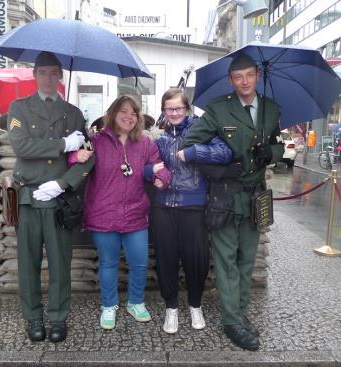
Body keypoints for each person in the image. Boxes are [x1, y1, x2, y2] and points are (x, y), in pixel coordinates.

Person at [181, 52, 284, 351]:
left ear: (257, 76)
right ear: (231, 80)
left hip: (255, 196)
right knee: (226, 261)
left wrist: (272, 154)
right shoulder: (217, 111)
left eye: (249, 75)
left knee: (247, 259)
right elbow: (191, 147)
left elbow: (277, 144)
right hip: (225, 196)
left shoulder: (270, 109)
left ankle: (238, 313)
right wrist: (221, 167)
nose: (244, 81)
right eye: (238, 77)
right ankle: (231, 321)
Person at [8, 51, 91, 343]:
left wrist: (64, 183)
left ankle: (58, 317)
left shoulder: (75, 114)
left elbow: (88, 157)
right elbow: (21, 147)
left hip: (58, 200)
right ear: (34, 75)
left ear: (60, 76)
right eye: (42, 72)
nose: (48, 78)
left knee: (59, 263)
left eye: (53, 72)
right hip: (28, 198)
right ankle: (32, 318)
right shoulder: (18, 108)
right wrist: (62, 144)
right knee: (28, 263)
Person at [83, 95, 171, 331]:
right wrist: (76, 156)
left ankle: (135, 302)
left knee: (139, 262)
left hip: (135, 214)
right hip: (103, 214)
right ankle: (109, 305)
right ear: (113, 113)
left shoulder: (145, 143)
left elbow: (158, 167)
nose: (129, 116)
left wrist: (161, 178)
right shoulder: (96, 142)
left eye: (134, 113)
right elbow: (76, 163)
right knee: (109, 263)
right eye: (124, 111)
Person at [152, 88, 233, 334]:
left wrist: (193, 152)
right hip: (163, 205)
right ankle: (171, 308)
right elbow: (148, 163)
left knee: (195, 259)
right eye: (169, 108)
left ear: (187, 108)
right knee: (166, 258)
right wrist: (153, 174)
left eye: (178, 108)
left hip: (193, 205)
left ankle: (195, 304)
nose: (174, 113)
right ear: (164, 110)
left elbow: (225, 152)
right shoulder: (159, 136)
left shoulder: (201, 130)